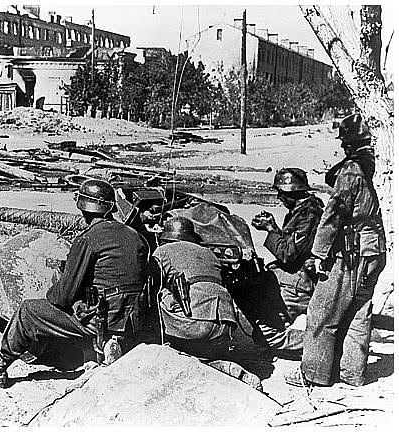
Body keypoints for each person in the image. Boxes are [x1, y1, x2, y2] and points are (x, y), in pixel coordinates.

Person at [0, 179, 150, 387]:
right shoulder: (134, 235)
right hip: (134, 319)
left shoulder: (88, 239)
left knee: (28, 312)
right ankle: (97, 354)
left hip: (104, 319)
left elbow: (62, 297)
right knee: (85, 303)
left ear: (83, 209)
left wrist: (61, 281)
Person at [286, 113, 386, 387]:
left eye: (345, 144)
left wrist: (318, 254)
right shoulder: (372, 167)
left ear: (351, 144)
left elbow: (333, 214)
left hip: (351, 254)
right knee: (358, 312)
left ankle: (313, 374)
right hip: (374, 251)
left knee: (322, 312)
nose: (343, 148)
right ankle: (353, 374)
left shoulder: (351, 170)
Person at [249, 168, 324, 356]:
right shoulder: (299, 211)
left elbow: (288, 254)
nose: (279, 198)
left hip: (299, 282)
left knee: (267, 335)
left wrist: (270, 230)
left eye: (282, 193)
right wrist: (273, 226)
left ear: (293, 192)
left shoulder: (309, 214)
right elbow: (291, 245)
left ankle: (326, 343)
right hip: (293, 277)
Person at [151, 216, 237, 359]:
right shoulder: (209, 253)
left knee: (158, 292)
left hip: (193, 326)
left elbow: (151, 282)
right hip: (226, 326)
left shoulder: (163, 251)